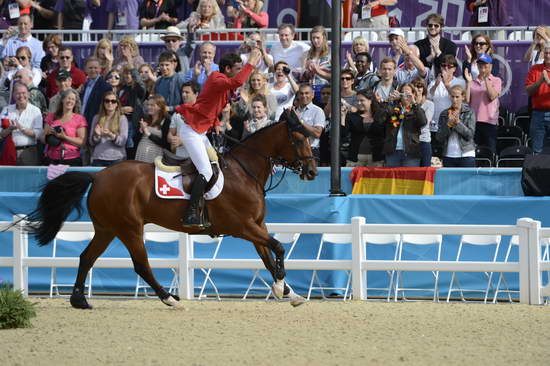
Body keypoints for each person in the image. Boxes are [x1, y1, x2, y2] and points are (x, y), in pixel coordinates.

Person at [174, 49, 261, 227]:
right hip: (192, 133)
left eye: (240, 68)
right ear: (227, 69)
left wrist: (215, 125)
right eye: (237, 68)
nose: (240, 71)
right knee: (206, 172)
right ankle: (190, 213)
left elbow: (210, 106)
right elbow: (238, 81)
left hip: (200, 132)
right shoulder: (216, 78)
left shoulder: (221, 83)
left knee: (217, 164)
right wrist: (250, 63)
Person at [380, 83, 427, 167]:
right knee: (392, 179)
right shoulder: (393, 108)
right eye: (403, 92)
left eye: (408, 93)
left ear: (413, 94)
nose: (405, 95)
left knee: (410, 179)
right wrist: (387, 100)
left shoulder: (416, 109)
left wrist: (414, 103)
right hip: (392, 151)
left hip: (410, 151)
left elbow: (423, 122)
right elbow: (379, 120)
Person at [465, 53, 502, 154]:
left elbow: (492, 96)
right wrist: (468, 83)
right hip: (474, 122)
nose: (483, 69)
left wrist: (486, 79)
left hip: (489, 122)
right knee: (474, 152)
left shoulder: (496, 80)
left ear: (490, 66)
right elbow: (467, 100)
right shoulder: (472, 82)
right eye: (480, 66)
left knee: (490, 152)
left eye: (485, 66)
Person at [0, 82, 43, 165]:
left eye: (24, 93)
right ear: (13, 95)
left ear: (29, 94)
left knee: (28, 177)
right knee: (10, 177)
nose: (21, 96)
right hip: (8, 151)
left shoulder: (35, 110)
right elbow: (0, 133)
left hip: (28, 152)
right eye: (18, 93)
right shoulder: (6, 110)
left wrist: (22, 128)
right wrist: (9, 129)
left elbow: (39, 133)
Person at [43, 89, 87, 166]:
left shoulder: (80, 119)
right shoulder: (51, 116)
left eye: (73, 99)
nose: (70, 101)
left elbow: (82, 142)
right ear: (63, 100)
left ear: (75, 102)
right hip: (52, 159)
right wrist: (48, 133)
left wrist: (65, 137)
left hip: (72, 159)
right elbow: (43, 139)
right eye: (68, 98)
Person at [436, 85, 476, 167]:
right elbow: (439, 137)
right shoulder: (444, 114)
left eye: (457, 97)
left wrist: (458, 123)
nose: (454, 100)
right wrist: (449, 125)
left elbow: (470, 135)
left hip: (466, 154)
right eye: (452, 96)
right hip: (449, 154)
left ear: (463, 97)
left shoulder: (469, 112)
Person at [344, 89, 384, 167]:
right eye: (357, 100)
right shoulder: (352, 116)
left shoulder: (380, 116)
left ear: (370, 100)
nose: (359, 103)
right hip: (356, 158)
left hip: (376, 158)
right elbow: (343, 134)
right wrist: (342, 116)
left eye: (362, 100)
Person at [428, 55, 466, 136]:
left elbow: (460, 100)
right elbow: (429, 97)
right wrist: (435, 85)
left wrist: (446, 84)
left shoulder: (460, 82)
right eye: (443, 65)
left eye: (449, 66)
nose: (446, 68)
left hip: (453, 123)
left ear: (454, 69)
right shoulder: (433, 82)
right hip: (436, 123)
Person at [89, 91, 128, 166]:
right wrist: (97, 135)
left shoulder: (122, 118)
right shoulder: (96, 118)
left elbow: (123, 141)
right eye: (107, 101)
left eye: (113, 101)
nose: (110, 103)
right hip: (98, 158)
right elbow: (91, 142)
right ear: (103, 103)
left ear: (117, 104)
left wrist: (111, 135)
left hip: (117, 159)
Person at [525, 42, 550, 154]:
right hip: (538, 114)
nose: (548, 55)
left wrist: (548, 82)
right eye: (546, 53)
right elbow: (528, 91)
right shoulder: (535, 69)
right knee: (537, 151)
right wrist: (540, 81)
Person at [414, 13, 457, 78]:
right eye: (430, 25)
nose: (432, 27)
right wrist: (429, 58)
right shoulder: (418, 45)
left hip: (444, 80)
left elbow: (450, 65)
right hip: (422, 82)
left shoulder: (450, 45)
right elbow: (416, 65)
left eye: (436, 26)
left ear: (441, 27)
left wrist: (438, 52)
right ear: (427, 26)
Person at [119, 64, 147, 159]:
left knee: (131, 151)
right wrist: (120, 110)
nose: (128, 76)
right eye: (126, 73)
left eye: (130, 74)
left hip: (133, 125)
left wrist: (131, 63)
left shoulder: (137, 89)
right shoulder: (121, 89)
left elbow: (141, 85)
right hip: (121, 124)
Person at [294, 83, 326, 161]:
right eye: (301, 93)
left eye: (307, 93)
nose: (304, 96)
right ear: (298, 95)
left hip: (311, 150)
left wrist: (301, 121)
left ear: (313, 95)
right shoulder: (293, 111)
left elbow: (317, 133)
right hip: (295, 150)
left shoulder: (318, 111)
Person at [135, 94, 170, 163]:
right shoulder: (145, 118)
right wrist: (141, 131)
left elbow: (165, 143)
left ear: (160, 107)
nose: (149, 107)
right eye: (148, 105)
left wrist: (148, 133)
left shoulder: (166, 121)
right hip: (141, 152)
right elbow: (135, 140)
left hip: (155, 154)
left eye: (152, 105)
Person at [81, 57, 113, 132]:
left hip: (96, 125)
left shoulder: (105, 87)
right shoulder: (84, 85)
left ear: (100, 69)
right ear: (85, 69)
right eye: (90, 68)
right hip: (82, 124)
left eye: (96, 68)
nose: (93, 70)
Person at [168, 80, 200, 154]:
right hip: (179, 157)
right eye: (182, 92)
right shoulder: (177, 113)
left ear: (196, 94)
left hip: (196, 157)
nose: (183, 95)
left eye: (187, 92)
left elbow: (202, 136)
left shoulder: (201, 113)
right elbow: (170, 134)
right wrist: (172, 139)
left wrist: (183, 141)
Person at [302, 25, 331, 104]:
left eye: (318, 38)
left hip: (325, 90)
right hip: (310, 90)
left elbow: (335, 76)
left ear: (324, 37)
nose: (315, 40)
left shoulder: (331, 54)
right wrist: (308, 72)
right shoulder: (307, 54)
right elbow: (303, 76)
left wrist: (317, 71)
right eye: (313, 38)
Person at [412, 77, 434, 167]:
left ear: (424, 89)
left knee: (425, 171)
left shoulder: (429, 104)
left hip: (424, 141)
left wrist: (416, 104)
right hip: (412, 142)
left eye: (420, 87)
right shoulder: (408, 104)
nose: (417, 89)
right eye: (415, 87)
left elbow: (424, 123)